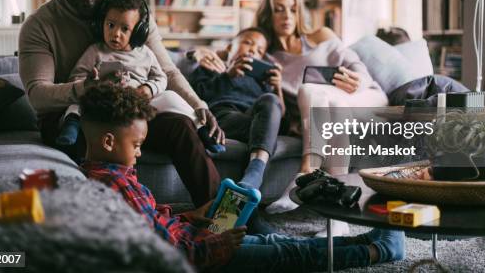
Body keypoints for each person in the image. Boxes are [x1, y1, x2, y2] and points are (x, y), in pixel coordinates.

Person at [79, 83, 405, 272]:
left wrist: (189, 215)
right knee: (283, 253)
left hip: (194, 234)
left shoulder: (111, 174)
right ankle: (376, 252)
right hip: (201, 253)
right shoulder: (112, 185)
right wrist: (215, 247)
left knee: (276, 241)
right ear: (108, 140)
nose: (139, 153)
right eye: (136, 145)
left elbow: (147, 221)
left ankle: (367, 241)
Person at [18, 0, 223, 207]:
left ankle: (224, 218)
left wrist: (199, 106)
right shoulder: (39, 25)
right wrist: (84, 89)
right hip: (75, 118)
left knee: (182, 127)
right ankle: (129, 225)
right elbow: (37, 94)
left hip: (130, 110)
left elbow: (167, 71)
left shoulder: (130, 16)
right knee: (102, 139)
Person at [256, 0, 389, 237]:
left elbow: (356, 63)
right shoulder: (266, 57)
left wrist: (357, 80)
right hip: (331, 107)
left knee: (310, 90)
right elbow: (232, 55)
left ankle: (307, 169)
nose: (287, 16)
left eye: (293, 9)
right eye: (279, 9)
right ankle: (338, 223)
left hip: (364, 96)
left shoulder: (321, 35)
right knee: (330, 103)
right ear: (267, 13)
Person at [57, 0, 212, 148]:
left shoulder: (146, 54)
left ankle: (201, 129)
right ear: (100, 23)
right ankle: (72, 126)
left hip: (139, 103)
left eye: (125, 29)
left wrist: (149, 88)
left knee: (171, 97)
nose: (116, 34)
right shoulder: (95, 51)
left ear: (138, 32)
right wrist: (90, 84)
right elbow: (75, 78)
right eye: (110, 25)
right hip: (105, 102)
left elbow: (161, 77)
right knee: (77, 104)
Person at [189, 27, 284, 192]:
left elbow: (279, 117)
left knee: (270, 100)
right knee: (263, 127)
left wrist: (278, 89)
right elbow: (196, 95)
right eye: (248, 43)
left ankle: (255, 172)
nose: (253, 50)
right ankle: (255, 174)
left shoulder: (262, 82)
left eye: (260, 51)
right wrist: (228, 76)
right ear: (228, 48)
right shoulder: (210, 67)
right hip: (224, 117)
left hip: (255, 120)